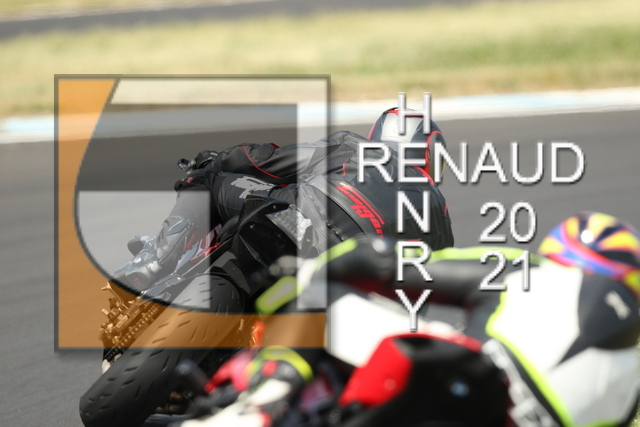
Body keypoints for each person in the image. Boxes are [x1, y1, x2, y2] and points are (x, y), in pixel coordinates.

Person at [183, 211, 640, 426]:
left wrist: (316, 270)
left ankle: (263, 400)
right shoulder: (633, 375)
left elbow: (384, 263)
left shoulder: (528, 271)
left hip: (466, 386)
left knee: (323, 292)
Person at [110, 108, 454, 295]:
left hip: (303, 221)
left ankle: (152, 261)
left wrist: (216, 160)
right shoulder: (440, 213)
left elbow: (264, 161)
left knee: (208, 182)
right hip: (356, 287)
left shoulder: (357, 148)